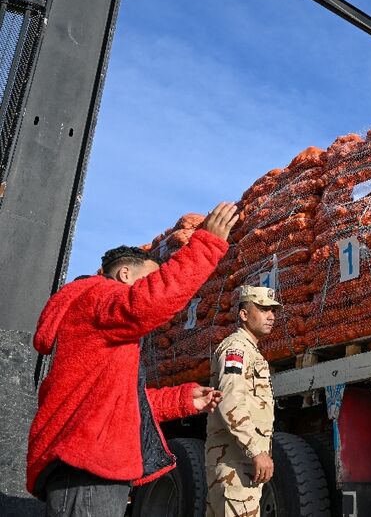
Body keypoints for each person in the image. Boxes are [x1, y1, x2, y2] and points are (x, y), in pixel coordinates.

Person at [27, 202, 239, 516]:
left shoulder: (105, 328)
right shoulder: (96, 296)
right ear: (126, 274)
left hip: (91, 465)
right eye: (149, 278)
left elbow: (120, 400)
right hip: (87, 467)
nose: (152, 284)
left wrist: (182, 400)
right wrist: (206, 245)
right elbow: (147, 303)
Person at [206, 285, 280, 517]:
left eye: (273, 311)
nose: (271, 316)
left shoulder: (251, 351)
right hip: (234, 460)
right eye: (263, 309)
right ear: (244, 315)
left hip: (241, 461)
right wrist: (255, 451)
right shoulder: (236, 349)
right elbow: (230, 400)